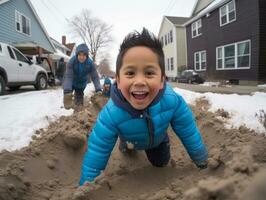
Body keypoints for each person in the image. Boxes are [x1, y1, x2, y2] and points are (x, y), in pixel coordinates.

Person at [79, 28, 208, 186]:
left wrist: (202, 161)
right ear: (118, 81)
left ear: (162, 80)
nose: (139, 81)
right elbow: (97, 152)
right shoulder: (111, 113)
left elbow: (189, 132)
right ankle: (126, 145)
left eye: (149, 73)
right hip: (130, 137)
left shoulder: (172, 100)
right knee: (128, 148)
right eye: (130, 73)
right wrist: (87, 186)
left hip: (158, 140)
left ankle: (155, 152)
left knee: (160, 163)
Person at [63, 43, 102, 109]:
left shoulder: (90, 63)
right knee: (68, 102)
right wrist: (67, 91)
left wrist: (98, 89)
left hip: (81, 85)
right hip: (71, 83)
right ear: (77, 54)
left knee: (79, 104)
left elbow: (95, 77)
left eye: (84, 55)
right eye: (80, 55)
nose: (81, 57)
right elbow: (68, 76)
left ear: (87, 56)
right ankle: (71, 102)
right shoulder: (72, 61)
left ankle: (77, 115)